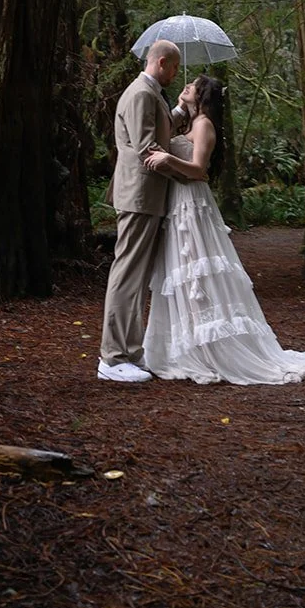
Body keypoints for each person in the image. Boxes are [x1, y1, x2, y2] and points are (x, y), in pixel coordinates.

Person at [142, 76, 305, 385]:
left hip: (193, 204)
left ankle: (213, 345)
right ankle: (186, 343)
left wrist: (168, 158)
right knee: (181, 272)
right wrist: (180, 110)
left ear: (202, 96)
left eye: (192, 86)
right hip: (176, 203)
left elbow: (199, 170)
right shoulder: (187, 121)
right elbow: (163, 131)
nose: (186, 86)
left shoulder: (205, 125)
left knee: (198, 272)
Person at [98, 39, 189, 383]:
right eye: (175, 68)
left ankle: (130, 353)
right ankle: (112, 357)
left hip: (147, 198)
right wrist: (188, 172)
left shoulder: (151, 94)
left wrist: (178, 111)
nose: (176, 74)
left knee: (136, 278)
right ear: (162, 62)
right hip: (138, 196)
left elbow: (157, 132)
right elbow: (147, 149)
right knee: (127, 276)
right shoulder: (140, 94)